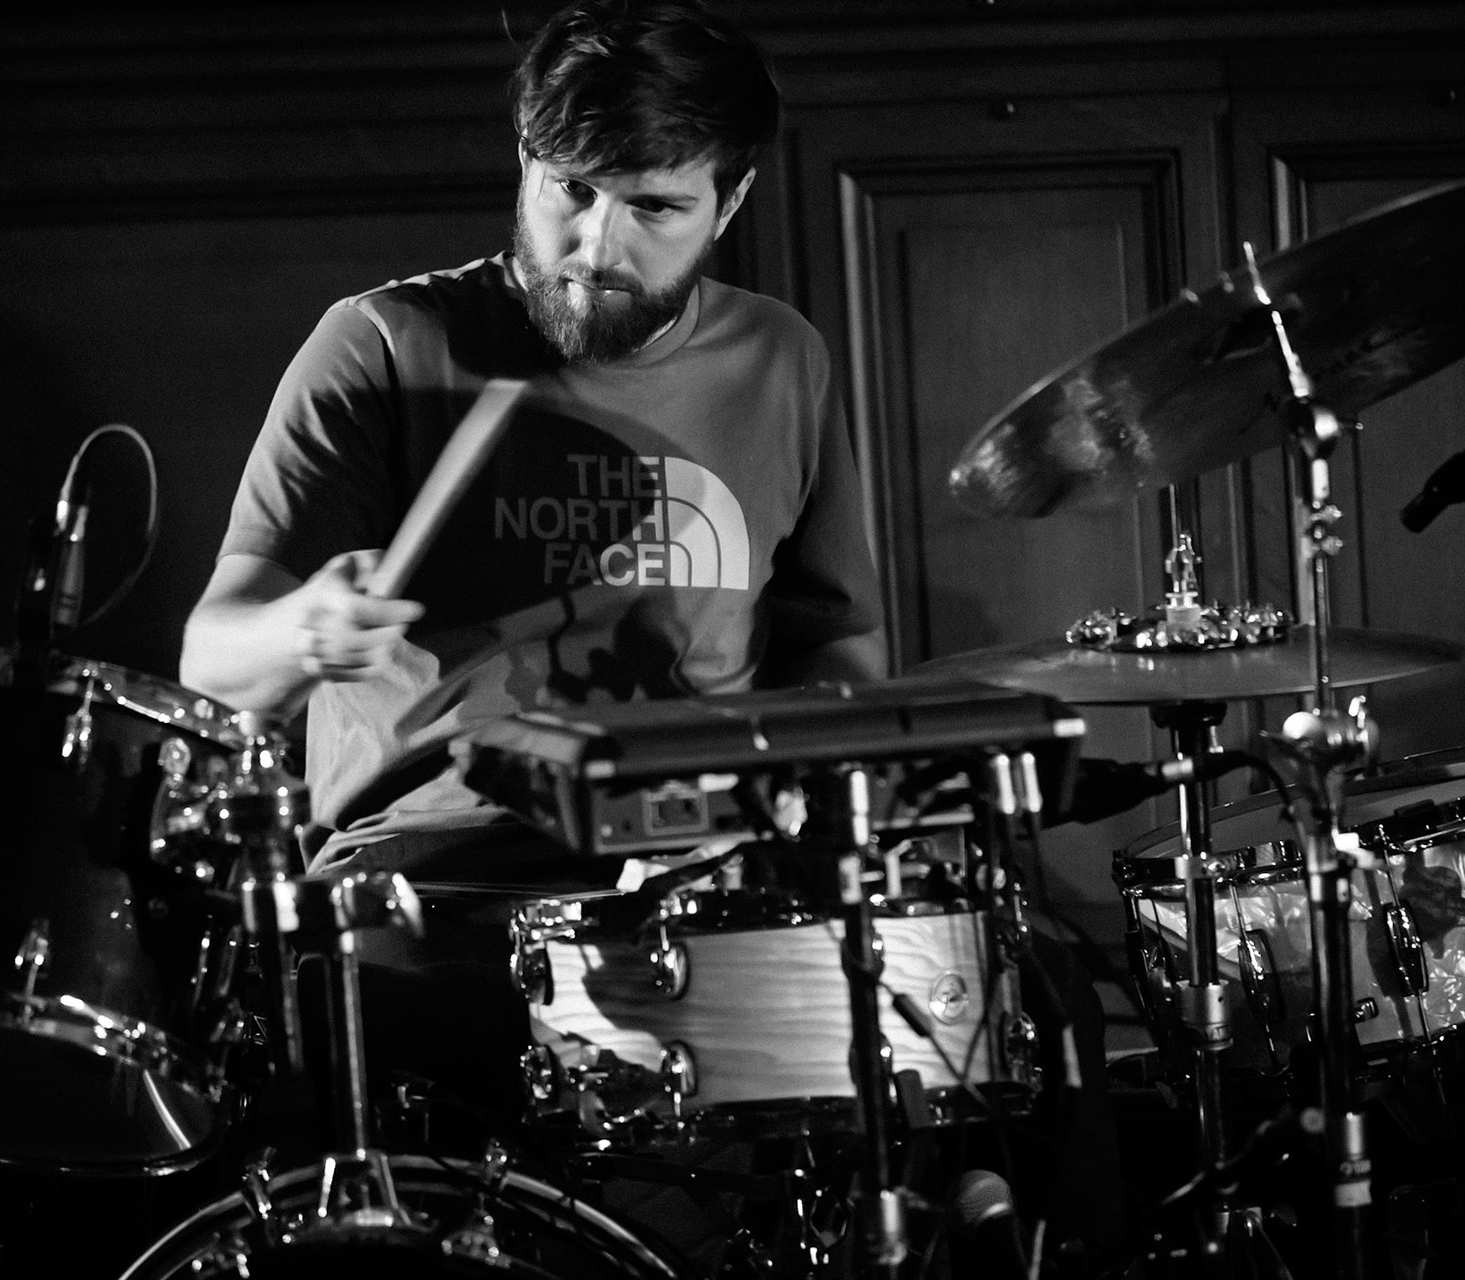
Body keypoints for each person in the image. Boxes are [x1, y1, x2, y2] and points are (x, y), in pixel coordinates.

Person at [179, 1, 1119, 1271]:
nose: (591, 245)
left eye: (651, 208)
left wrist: (798, 812)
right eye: (565, 190)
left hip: (704, 889)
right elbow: (211, 652)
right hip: (438, 887)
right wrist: (306, 625)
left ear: (726, 203)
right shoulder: (387, 344)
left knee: (1032, 995)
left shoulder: (780, 358)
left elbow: (842, 661)